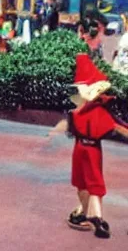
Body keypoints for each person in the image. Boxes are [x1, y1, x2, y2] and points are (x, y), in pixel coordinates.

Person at [54, 54, 128, 239]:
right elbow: (116, 127)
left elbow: (68, 126)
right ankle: (94, 216)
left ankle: (89, 214)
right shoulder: (99, 111)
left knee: (83, 183)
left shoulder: (77, 111)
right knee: (92, 182)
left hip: (80, 147)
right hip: (92, 148)